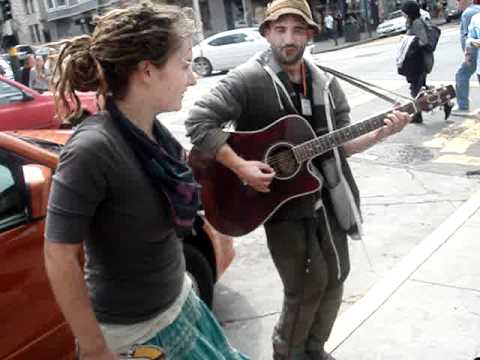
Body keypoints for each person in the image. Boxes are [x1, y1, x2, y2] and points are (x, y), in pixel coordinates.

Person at [185, 0, 411, 359]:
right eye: (280, 29)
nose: (288, 39)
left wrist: (381, 133)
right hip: (279, 203)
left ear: (309, 34)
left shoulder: (326, 84)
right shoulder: (248, 79)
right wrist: (241, 166)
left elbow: (342, 145)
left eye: (297, 30)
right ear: (267, 33)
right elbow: (198, 123)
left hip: (329, 195)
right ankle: (287, 354)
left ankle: (314, 348)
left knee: (337, 274)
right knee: (304, 286)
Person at [43, 3, 248, 360]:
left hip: (181, 303)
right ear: (147, 71)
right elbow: (58, 255)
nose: (193, 77)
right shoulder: (92, 149)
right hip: (138, 337)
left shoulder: (152, 133)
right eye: (184, 65)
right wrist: (94, 348)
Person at [400, 0, 434, 123]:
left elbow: (423, 41)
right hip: (416, 61)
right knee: (420, 88)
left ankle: (417, 114)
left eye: (403, 12)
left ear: (409, 12)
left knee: (416, 89)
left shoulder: (417, 23)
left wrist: (410, 43)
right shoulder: (412, 23)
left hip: (419, 62)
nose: (402, 14)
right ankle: (444, 101)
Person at [453, 0, 480, 115]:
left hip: (474, 51)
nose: (456, 5)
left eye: (457, 2)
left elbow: (468, 38)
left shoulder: (468, 14)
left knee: (461, 74)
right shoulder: (477, 10)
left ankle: (462, 105)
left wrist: (467, 55)